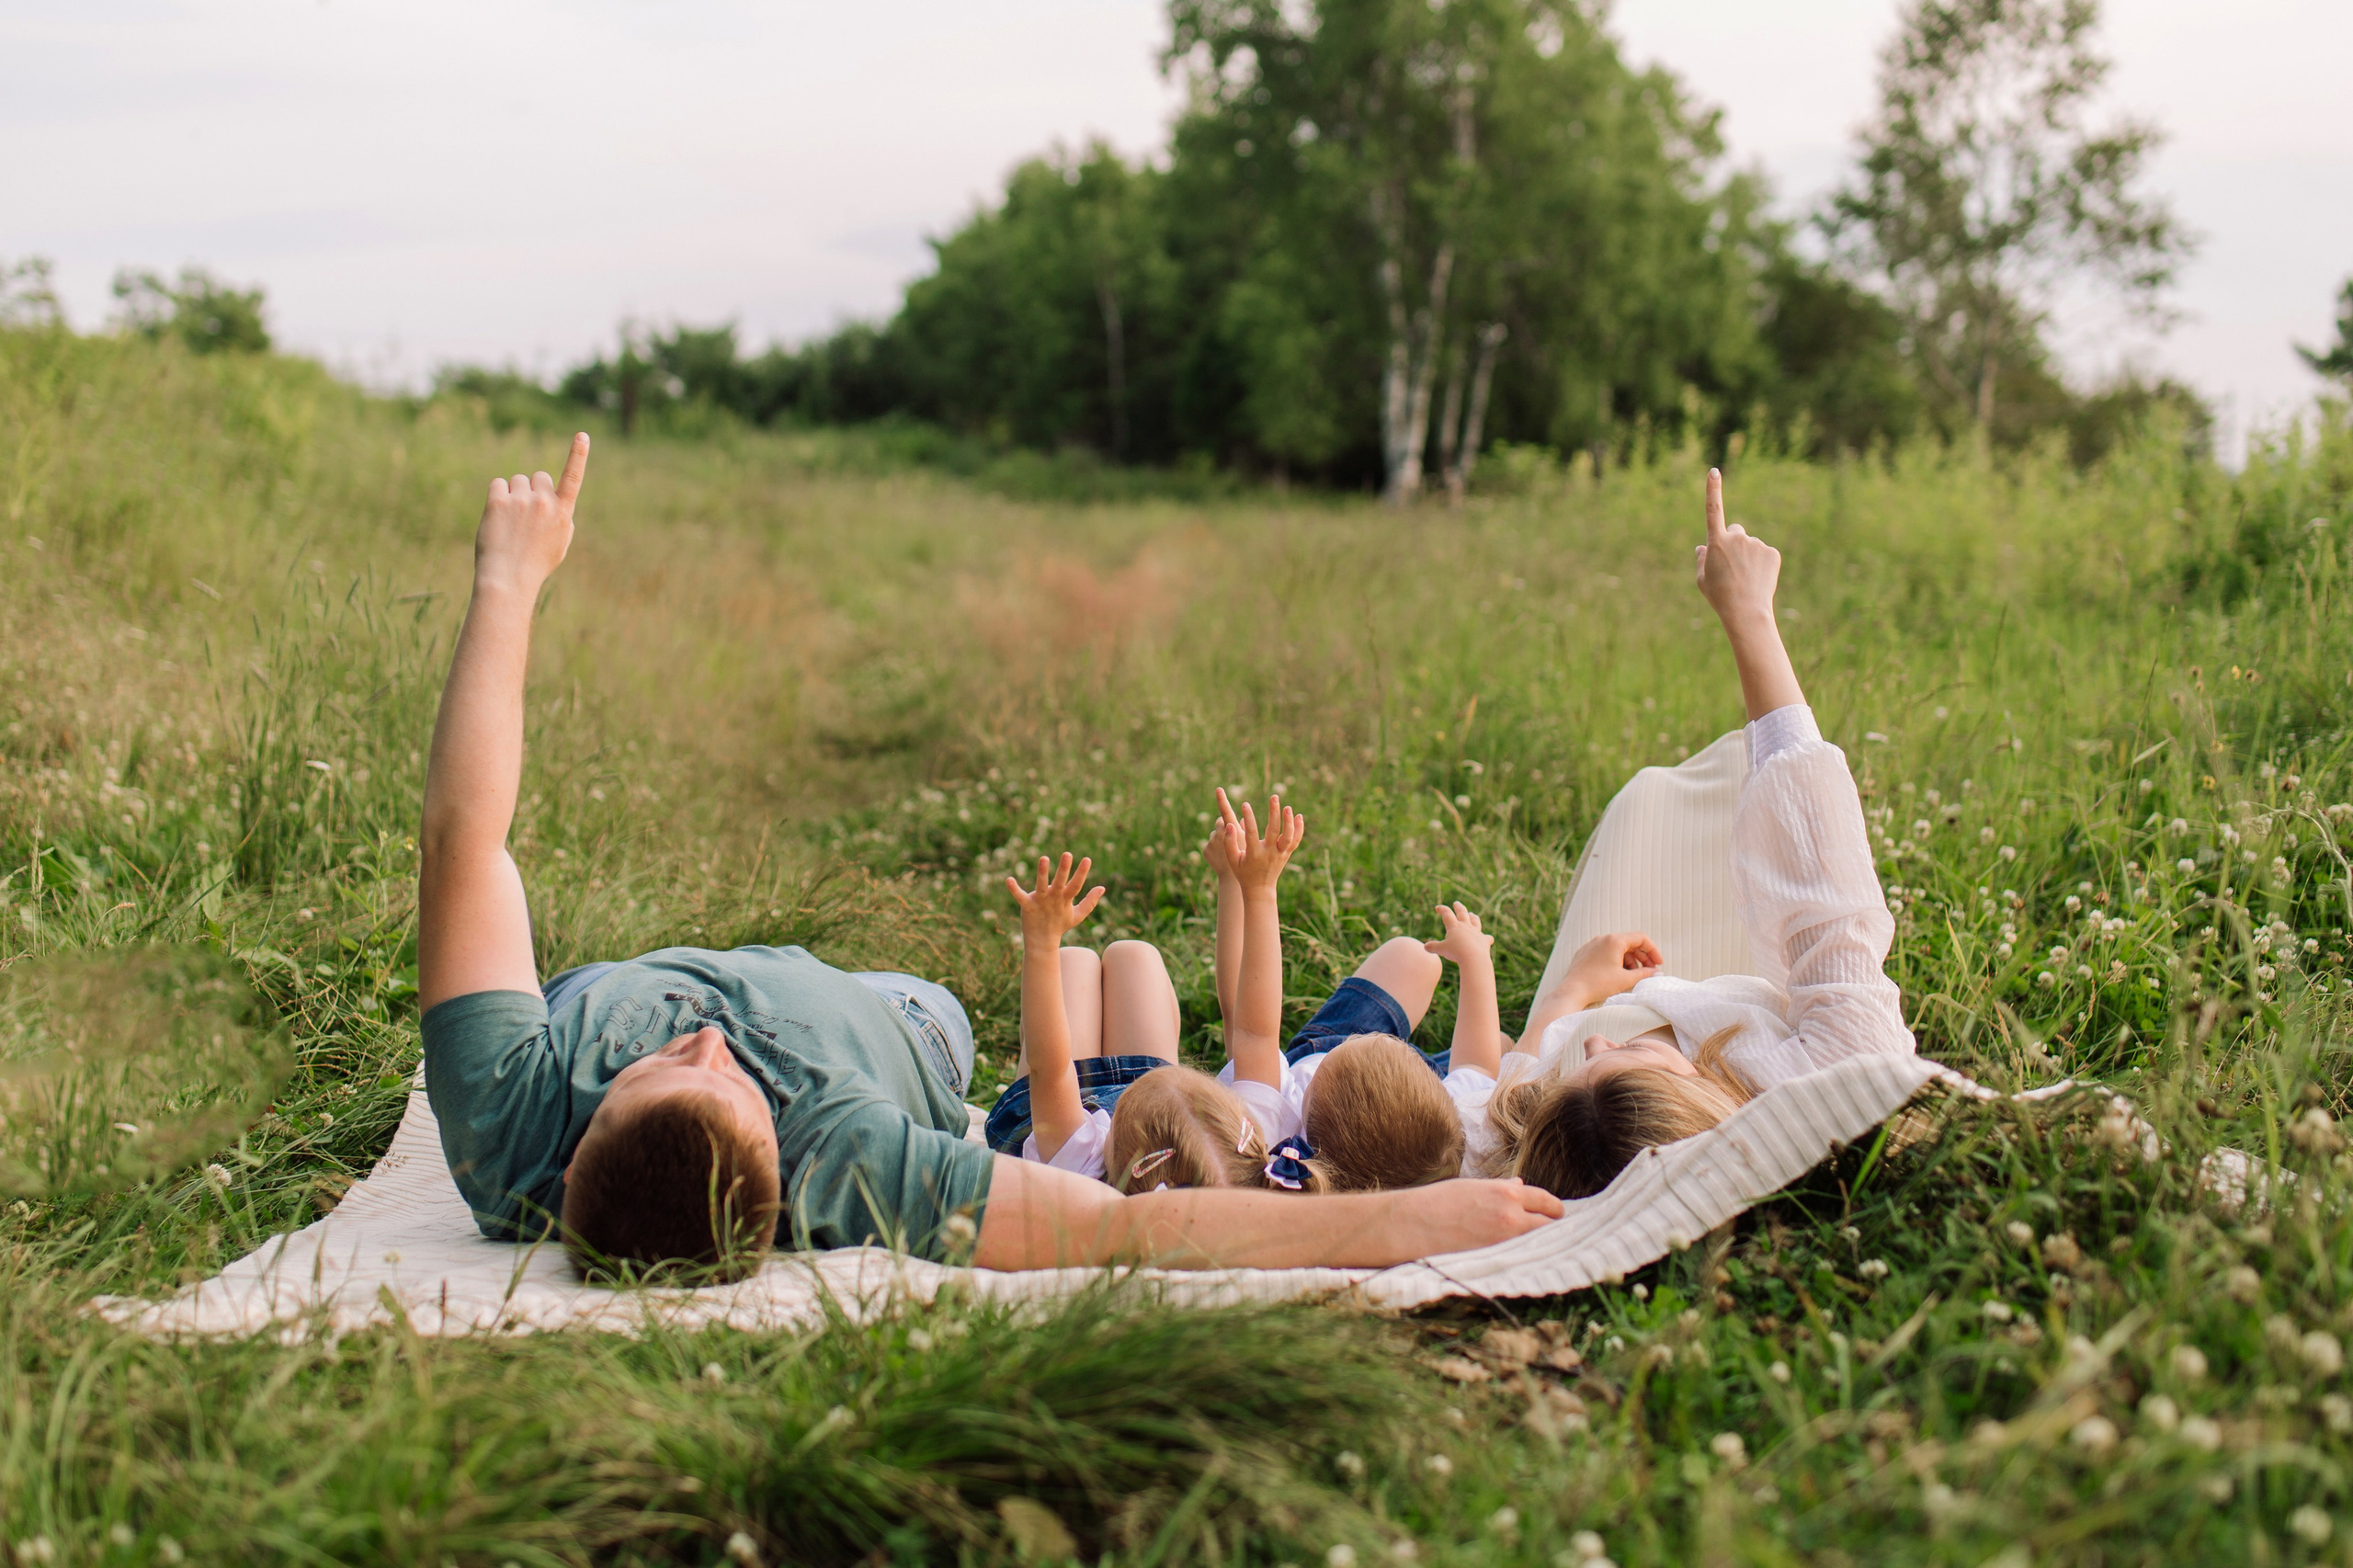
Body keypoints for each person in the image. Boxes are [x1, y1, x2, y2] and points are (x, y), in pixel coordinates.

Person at [415, 435, 1563, 1279]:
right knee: (954, 1016)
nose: (712, 1039)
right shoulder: (851, 1159)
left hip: (637, 993)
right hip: (896, 1022)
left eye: (667, 1068)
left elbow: (464, 838)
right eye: (733, 1087)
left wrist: (507, 583)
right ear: (787, 1188)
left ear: (570, 1166)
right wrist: (1403, 1226)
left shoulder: (504, 1125)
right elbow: (1128, 1231)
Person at [1477, 468, 1916, 1197]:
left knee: (1647, 798)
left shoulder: (1541, 1134)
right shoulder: (1833, 1082)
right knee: (1737, 794)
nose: (1596, 1044)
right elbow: (1821, 883)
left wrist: (1566, 1001)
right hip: (1727, 982)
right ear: (1708, 1105)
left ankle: (1715, 784)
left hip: (1608, 976)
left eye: (1585, 1066)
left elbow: (1514, 1088)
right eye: (1627, 1062)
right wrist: (1749, 615)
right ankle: (1731, 778)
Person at [1209, 791, 1489, 1190]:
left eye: (1331, 1057)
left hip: (1356, 1078)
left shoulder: (1276, 1122)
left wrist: (1248, 887)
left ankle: (1355, 1056)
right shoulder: (1448, 1130)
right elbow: (1478, 1067)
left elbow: (1250, 1027)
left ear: (1307, 1106)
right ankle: (1410, 1061)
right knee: (1423, 965)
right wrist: (1477, 958)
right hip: (1397, 1091)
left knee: (1419, 969)